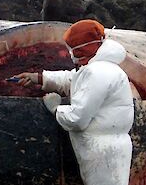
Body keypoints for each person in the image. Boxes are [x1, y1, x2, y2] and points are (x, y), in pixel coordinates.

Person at [15, 19, 134, 185]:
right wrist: (40, 78)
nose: (70, 53)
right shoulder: (97, 66)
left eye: (72, 49)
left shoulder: (98, 73)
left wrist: (57, 109)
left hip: (103, 151)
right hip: (105, 145)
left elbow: (78, 119)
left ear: (82, 49)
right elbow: (73, 79)